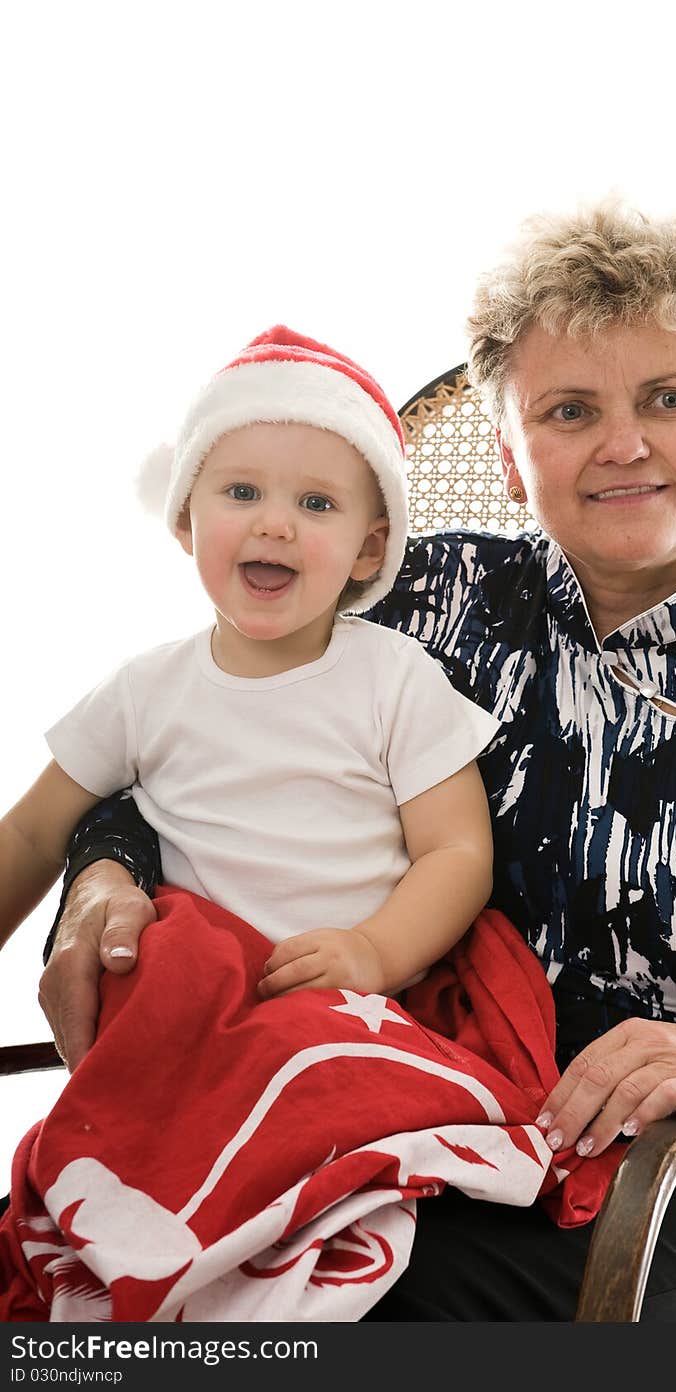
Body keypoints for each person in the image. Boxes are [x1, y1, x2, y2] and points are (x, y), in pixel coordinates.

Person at [35, 202, 676, 1322]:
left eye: (667, 400)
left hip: (640, 1181)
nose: (622, 444)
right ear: (511, 460)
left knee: (305, 1301)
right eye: (569, 410)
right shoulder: (413, 601)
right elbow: (182, 745)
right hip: (353, 1096)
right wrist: (105, 871)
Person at [0, 326, 499, 1005]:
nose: (275, 525)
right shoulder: (144, 691)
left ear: (369, 550)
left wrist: (376, 950)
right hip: (198, 1000)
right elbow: (30, 834)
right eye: (241, 493)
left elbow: (458, 853)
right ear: (185, 521)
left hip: (354, 1010)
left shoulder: (396, 677)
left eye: (316, 503)